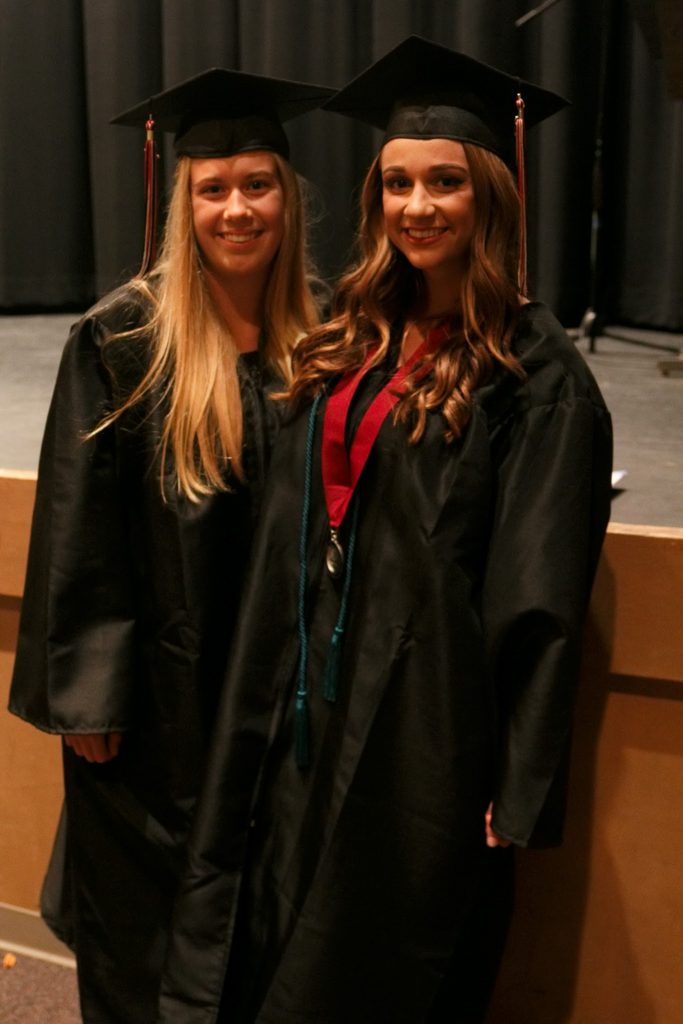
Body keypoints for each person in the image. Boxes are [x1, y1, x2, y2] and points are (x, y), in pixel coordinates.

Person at [158, 37, 613, 1024]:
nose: (418, 205)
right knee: (272, 919)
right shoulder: (351, 333)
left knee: (376, 962)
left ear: (488, 192)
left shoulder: (534, 379)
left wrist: (520, 776)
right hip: (305, 701)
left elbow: (535, 593)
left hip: (421, 730)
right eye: (398, 181)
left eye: (444, 181)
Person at [8, 67, 332, 1024]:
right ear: (181, 201)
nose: (237, 209)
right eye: (213, 188)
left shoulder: (325, 337)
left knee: (266, 923)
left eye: (257, 184)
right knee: (145, 932)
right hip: (156, 703)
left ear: (288, 195)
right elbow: (78, 530)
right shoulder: (125, 341)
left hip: (279, 688)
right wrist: (87, 697)